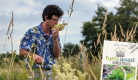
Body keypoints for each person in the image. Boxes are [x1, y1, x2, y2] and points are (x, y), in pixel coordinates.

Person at [19, 4, 64, 80]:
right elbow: (22, 52)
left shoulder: (55, 33)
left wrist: (55, 39)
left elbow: (57, 55)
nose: (57, 23)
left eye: (58, 20)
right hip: (35, 71)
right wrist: (34, 56)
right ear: (46, 18)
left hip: (51, 72)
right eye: (54, 20)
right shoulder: (33, 32)